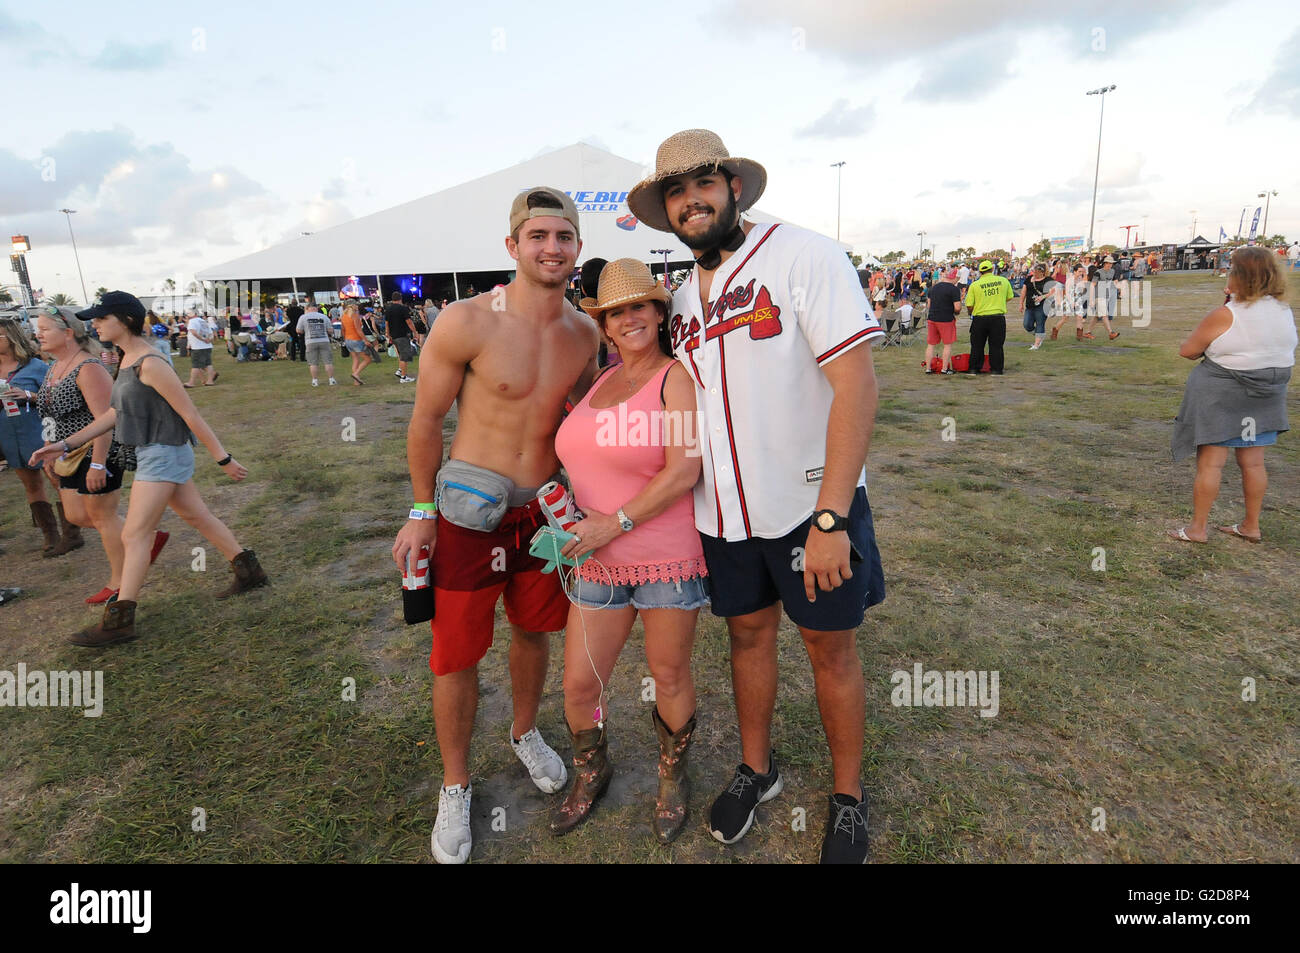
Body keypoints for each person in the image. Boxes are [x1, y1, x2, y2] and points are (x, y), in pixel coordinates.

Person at [628, 128, 887, 863]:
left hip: (812, 505)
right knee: (746, 636)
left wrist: (834, 515)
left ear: (734, 186)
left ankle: (846, 798)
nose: (690, 200)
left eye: (701, 183)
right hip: (724, 510)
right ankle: (758, 769)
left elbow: (857, 385)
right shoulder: (680, 295)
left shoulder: (804, 253)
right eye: (674, 192)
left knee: (828, 647)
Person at [391, 186, 599, 865]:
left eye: (563, 237)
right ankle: (455, 784)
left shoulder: (583, 333)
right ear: (513, 246)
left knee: (535, 633)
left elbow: (587, 420)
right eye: (537, 236)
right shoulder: (466, 321)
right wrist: (422, 512)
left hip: (540, 515)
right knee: (456, 653)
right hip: (467, 517)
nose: (551, 248)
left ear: (576, 248)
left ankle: (524, 730)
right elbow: (426, 419)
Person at [548, 258, 705, 843]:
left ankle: (671, 779)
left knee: (668, 673)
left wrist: (610, 523)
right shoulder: (596, 381)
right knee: (580, 685)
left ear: (660, 313)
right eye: (617, 311)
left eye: (641, 305)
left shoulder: (678, 378)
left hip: (667, 558)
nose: (630, 318)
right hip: (594, 558)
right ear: (605, 326)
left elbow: (684, 468)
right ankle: (592, 771)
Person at [30, 291, 267, 646]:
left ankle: (120, 620)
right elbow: (113, 414)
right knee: (197, 516)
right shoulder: (127, 359)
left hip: (164, 454)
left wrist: (223, 458)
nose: (93, 324)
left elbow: (190, 413)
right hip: (152, 453)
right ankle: (249, 570)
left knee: (135, 534)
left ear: (124, 320)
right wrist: (65, 444)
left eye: (100, 318)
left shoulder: (151, 363)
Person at [1168, 247, 1296, 543]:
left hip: (1223, 395)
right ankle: (1251, 525)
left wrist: (1228, 304)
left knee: (1211, 463)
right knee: (1253, 463)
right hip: (1265, 395)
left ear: (1240, 276)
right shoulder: (1282, 310)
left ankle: (1197, 529)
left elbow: (1188, 351)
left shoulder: (1225, 314)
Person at [29, 305, 146, 601]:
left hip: (97, 451)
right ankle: (146, 538)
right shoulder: (54, 366)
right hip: (67, 454)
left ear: (68, 333)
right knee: (77, 515)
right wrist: (50, 452)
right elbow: (50, 414)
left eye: (44, 329)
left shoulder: (88, 367)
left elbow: (106, 419)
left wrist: (97, 464)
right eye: (37, 329)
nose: (37, 334)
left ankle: (119, 583)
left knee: (102, 516)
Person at [0, 316, 59, 554]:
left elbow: (54, 397)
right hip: (7, 434)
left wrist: (28, 395)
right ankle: (51, 534)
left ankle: (72, 532)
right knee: (31, 484)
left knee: (56, 479)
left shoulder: (36, 367)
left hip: (37, 429)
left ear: (12, 338)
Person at [964, 259, 1014, 375]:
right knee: (996, 345)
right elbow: (1010, 296)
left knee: (977, 345)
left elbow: (969, 304)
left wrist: (970, 313)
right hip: (997, 317)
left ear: (980, 272)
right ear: (992, 269)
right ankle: (996, 370)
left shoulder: (975, 285)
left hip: (979, 318)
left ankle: (974, 369)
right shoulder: (1003, 281)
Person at [925, 267, 961, 374]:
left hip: (932, 318)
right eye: (957, 279)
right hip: (946, 319)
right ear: (954, 277)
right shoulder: (954, 289)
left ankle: (928, 368)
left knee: (931, 344)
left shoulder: (933, 288)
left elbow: (929, 305)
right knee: (947, 344)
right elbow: (957, 307)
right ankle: (944, 369)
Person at [294, 302, 337, 387]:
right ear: (316, 308)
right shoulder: (324, 317)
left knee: (313, 363)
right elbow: (330, 330)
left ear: (307, 308)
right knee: (328, 362)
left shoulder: (303, 317)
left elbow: (298, 330)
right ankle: (331, 379)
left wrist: (304, 331)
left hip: (310, 341)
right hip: (324, 340)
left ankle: (315, 381)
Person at [1084, 255, 1121, 340]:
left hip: (1106, 295)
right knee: (1104, 315)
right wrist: (1091, 299)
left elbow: (1115, 281)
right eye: (1108, 263)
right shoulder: (1098, 272)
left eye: (1111, 263)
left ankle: (1088, 332)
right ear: (1104, 263)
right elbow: (1092, 285)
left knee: (1097, 316)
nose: (1109, 265)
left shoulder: (1112, 271)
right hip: (1098, 295)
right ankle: (1111, 333)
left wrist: (1120, 288)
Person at [384, 292, 417, 383]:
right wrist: (415, 332)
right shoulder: (403, 308)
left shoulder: (388, 309)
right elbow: (409, 322)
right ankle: (403, 377)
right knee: (404, 356)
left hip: (394, 335)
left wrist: (388, 334)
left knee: (400, 355)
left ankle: (400, 371)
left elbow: (387, 323)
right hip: (402, 335)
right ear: (400, 299)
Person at [1019, 263, 1052, 350]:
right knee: (1027, 325)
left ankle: (1036, 344)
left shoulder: (1048, 280)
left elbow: (1053, 291)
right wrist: (1021, 303)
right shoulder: (1029, 279)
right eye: (1034, 271)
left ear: (1043, 272)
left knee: (1040, 324)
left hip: (1042, 306)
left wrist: (1042, 297)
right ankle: (1039, 335)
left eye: (1037, 271)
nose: (1035, 273)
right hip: (1029, 306)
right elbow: (1023, 292)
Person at [339, 302, 371, 385]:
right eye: (357, 305)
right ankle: (356, 374)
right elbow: (358, 330)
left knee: (355, 359)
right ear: (354, 306)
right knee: (367, 359)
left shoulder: (343, 316)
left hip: (348, 339)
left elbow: (343, 329)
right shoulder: (354, 316)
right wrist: (365, 340)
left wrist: (344, 338)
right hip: (356, 339)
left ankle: (356, 381)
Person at [184, 311, 218, 388]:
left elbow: (194, 332)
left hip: (198, 347)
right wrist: (209, 339)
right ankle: (210, 381)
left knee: (195, 365)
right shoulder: (203, 321)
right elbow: (210, 333)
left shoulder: (192, 321)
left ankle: (191, 382)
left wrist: (203, 339)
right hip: (207, 346)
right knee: (208, 364)